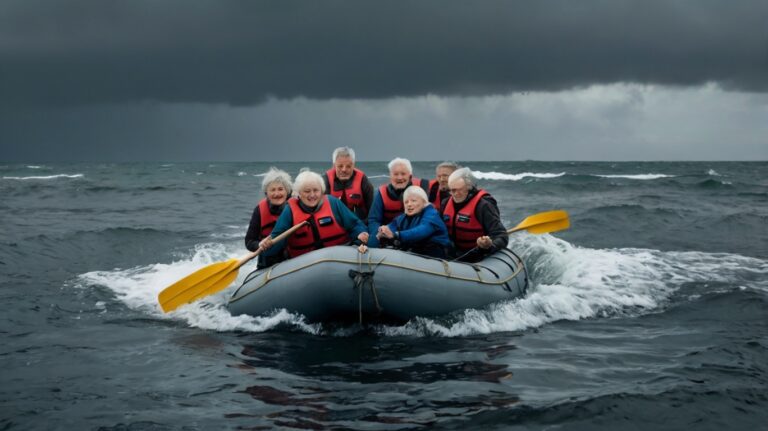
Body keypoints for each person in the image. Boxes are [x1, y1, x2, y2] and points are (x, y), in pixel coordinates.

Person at [259, 170, 369, 258]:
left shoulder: (333, 203)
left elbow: (355, 225)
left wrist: (361, 233)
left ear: (321, 191)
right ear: (299, 193)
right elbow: (275, 243)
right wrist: (267, 245)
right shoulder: (289, 211)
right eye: (307, 191)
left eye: (316, 190)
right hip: (304, 264)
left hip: (339, 257)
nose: (312, 195)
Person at [441, 167, 508, 262]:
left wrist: (489, 245)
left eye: (459, 190)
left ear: (469, 187)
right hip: (453, 254)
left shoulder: (483, 206)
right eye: (452, 190)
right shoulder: (445, 203)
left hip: (479, 255)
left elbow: (502, 236)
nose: (455, 194)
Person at [367, 157, 430, 248]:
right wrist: (379, 234)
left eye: (403, 174)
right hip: (389, 235)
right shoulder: (382, 193)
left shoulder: (422, 188)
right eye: (395, 174)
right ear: (390, 176)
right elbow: (374, 220)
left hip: (415, 235)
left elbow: (428, 219)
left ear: (410, 176)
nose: (399, 178)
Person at [374, 186, 451, 258]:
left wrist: (396, 235)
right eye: (406, 202)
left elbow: (421, 231)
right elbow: (390, 227)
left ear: (424, 202)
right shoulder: (402, 218)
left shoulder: (432, 215)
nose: (409, 205)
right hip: (416, 255)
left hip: (437, 256)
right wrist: (383, 231)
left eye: (413, 201)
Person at [244, 167, 293, 268]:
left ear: (287, 191)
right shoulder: (259, 210)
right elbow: (249, 241)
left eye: (280, 189)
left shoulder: (295, 207)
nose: (276, 194)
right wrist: (260, 245)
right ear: (267, 193)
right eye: (272, 190)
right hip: (268, 265)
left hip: (292, 260)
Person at [323, 146, 374, 221]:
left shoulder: (363, 180)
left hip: (359, 224)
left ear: (353, 165)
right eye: (340, 166)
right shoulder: (325, 180)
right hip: (335, 224)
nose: (344, 170)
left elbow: (372, 213)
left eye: (348, 166)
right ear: (334, 165)